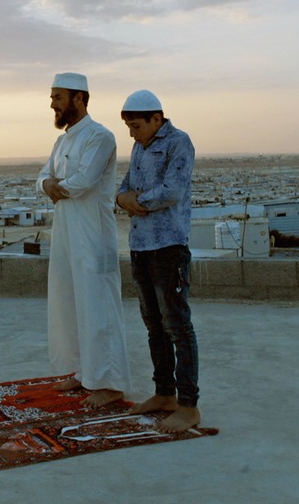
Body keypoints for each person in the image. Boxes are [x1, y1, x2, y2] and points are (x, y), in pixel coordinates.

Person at [37, 72, 131, 408]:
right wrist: (48, 185)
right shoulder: (62, 141)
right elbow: (43, 177)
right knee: (70, 301)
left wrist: (54, 186)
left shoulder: (100, 136)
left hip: (93, 235)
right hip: (66, 231)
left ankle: (110, 382)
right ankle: (83, 372)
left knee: (99, 306)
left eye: (58, 97)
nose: (52, 104)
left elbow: (82, 182)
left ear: (79, 98)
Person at [115, 89, 201, 433]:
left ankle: (189, 404)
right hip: (140, 245)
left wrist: (137, 202)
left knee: (177, 325)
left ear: (156, 118)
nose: (132, 134)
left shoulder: (179, 142)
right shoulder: (140, 146)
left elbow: (172, 190)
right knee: (154, 325)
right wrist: (126, 198)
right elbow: (123, 188)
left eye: (136, 126)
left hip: (168, 246)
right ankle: (164, 393)